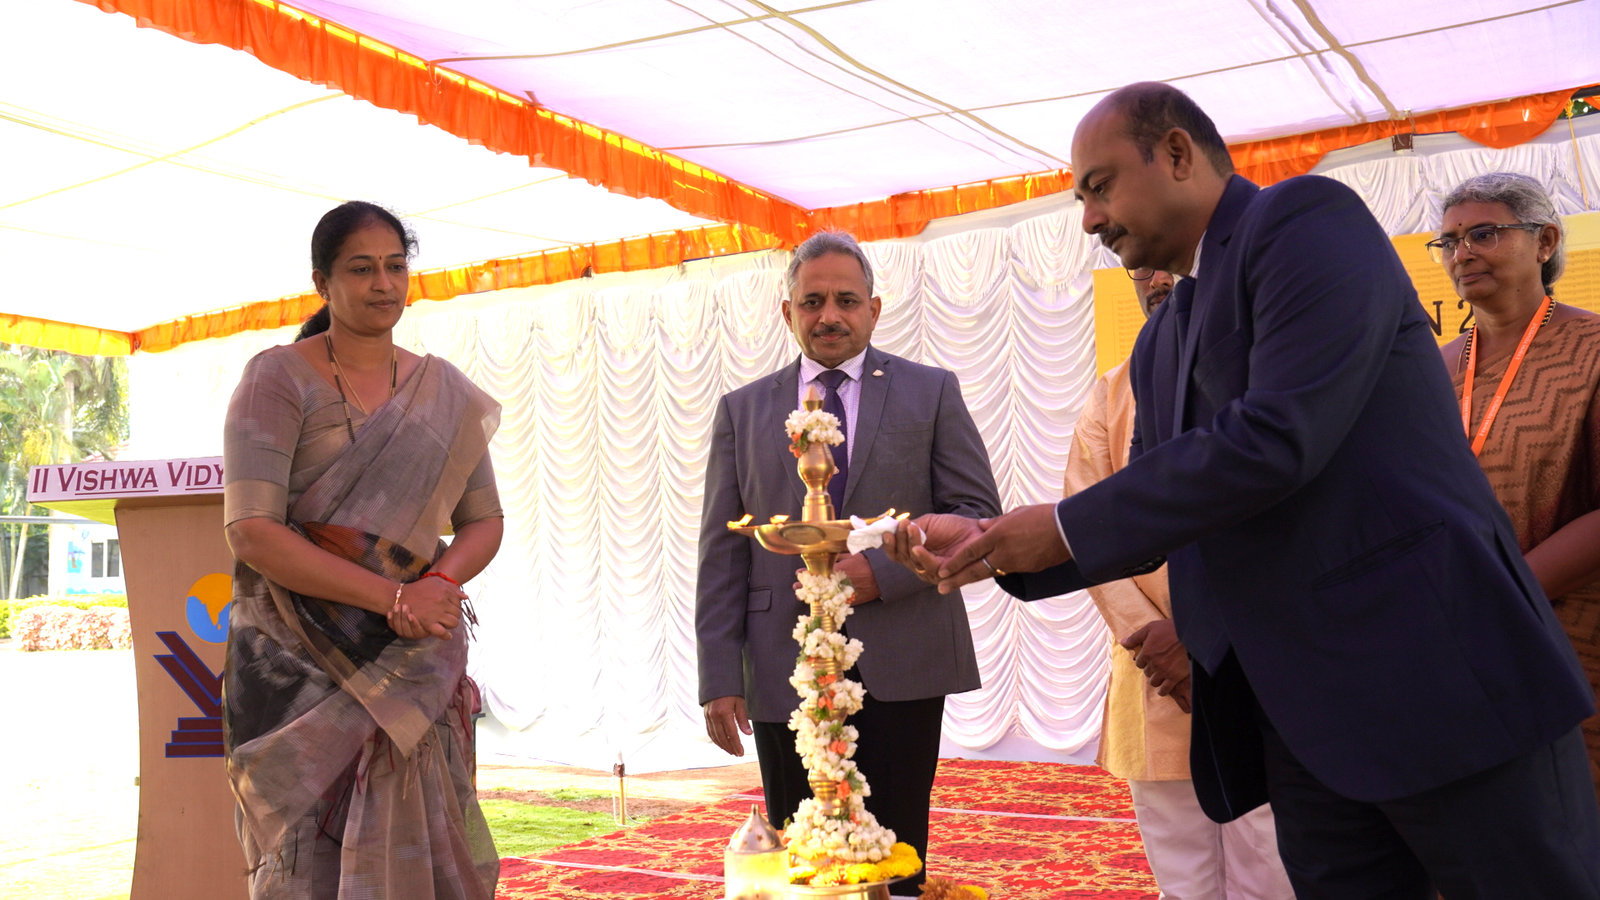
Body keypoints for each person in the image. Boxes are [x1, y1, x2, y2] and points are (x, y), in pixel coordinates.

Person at [887, 83, 1600, 897]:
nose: (1089, 219)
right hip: (1301, 722)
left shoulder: (1303, 222)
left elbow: (1275, 437)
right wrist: (990, 547)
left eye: (1100, 186)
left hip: (1439, 676)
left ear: (1178, 154)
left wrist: (1059, 527)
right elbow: (1162, 510)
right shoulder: (1161, 339)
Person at [696, 230, 1001, 892]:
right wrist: (719, 674)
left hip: (902, 655)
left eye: (846, 300)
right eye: (812, 302)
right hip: (783, 664)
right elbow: (722, 551)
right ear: (787, 312)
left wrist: (881, 576)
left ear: (874, 309)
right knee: (802, 860)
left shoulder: (930, 392)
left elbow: (977, 518)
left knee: (896, 854)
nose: (829, 315)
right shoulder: (742, 410)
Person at [222, 201, 504, 899]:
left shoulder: (444, 393)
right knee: (307, 859)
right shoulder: (277, 379)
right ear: (322, 283)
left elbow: (484, 521)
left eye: (395, 266)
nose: (383, 284)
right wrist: (396, 596)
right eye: (361, 269)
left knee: (425, 845)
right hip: (298, 663)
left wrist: (436, 586)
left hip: (411, 661)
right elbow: (252, 529)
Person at [1070, 269, 1292, 899]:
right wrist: (1155, 639)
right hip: (1155, 673)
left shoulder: (1265, 378)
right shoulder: (1112, 392)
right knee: (1181, 877)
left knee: (1270, 872)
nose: (1156, 279)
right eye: (1141, 269)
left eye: (1174, 262)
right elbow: (1089, 531)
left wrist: (1204, 637)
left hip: (1255, 663)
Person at [1434, 172, 1600, 798]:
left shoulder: (1593, 349)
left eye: (1484, 234)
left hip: (1572, 637)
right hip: (1455, 642)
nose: (1462, 254)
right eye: (1449, 241)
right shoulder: (1432, 369)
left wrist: (1504, 598)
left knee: (1571, 824)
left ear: (1545, 242)